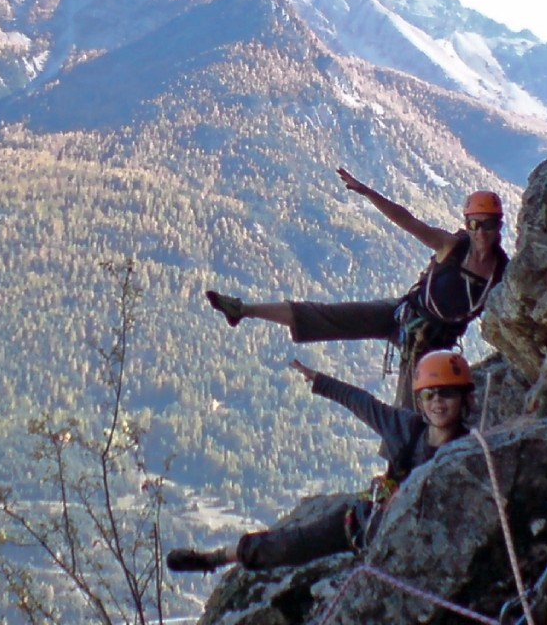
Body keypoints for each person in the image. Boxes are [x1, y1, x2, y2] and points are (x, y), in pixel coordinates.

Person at [205, 168, 508, 408]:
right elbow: (408, 221)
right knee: (329, 316)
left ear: (499, 226)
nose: (480, 232)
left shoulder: (501, 272)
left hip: (431, 343)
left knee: (412, 406)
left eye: (487, 224)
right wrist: (367, 193)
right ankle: (242, 309)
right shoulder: (451, 247)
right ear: (466, 225)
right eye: (474, 224)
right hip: (404, 314)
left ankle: (398, 473)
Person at [166, 350, 474, 574]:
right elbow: (363, 404)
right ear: (420, 400)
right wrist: (321, 382)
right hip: (364, 520)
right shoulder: (407, 430)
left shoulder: (472, 453)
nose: (437, 402)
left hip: (404, 540)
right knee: (293, 542)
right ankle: (216, 558)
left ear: (464, 399)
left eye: (446, 393)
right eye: (429, 394)